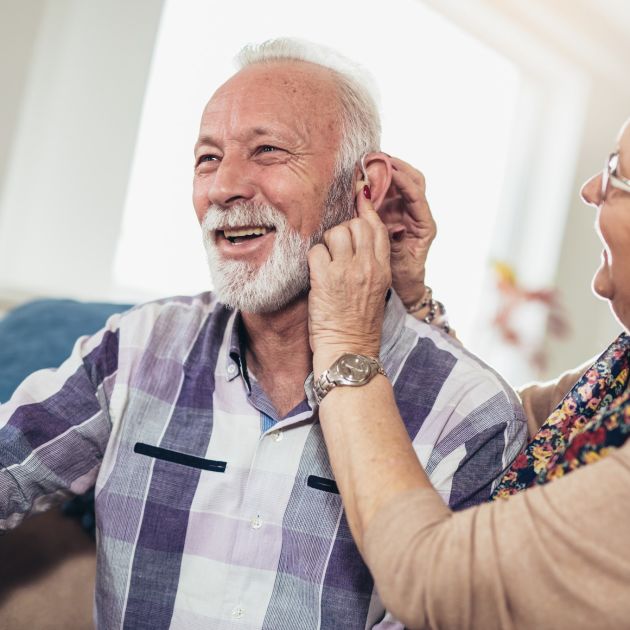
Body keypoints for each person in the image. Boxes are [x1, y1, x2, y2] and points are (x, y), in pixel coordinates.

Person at [0, 39, 526, 628]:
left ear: (366, 187)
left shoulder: (470, 415)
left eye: (268, 151)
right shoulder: (137, 346)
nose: (224, 187)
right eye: (207, 159)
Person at [310, 123, 630, 629]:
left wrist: (344, 345)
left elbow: (438, 581)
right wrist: (411, 299)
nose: (592, 189)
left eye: (616, 175)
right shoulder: (619, 377)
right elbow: (501, 427)